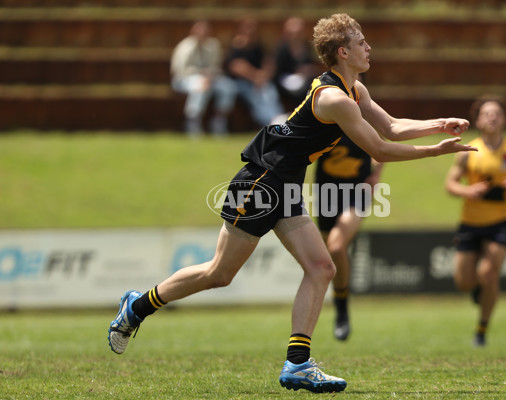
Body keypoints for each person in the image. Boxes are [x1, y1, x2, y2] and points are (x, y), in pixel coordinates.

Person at [108, 13, 476, 394]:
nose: (369, 47)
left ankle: (297, 364)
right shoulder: (334, 98)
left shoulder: (355, 89)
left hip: (286, 185)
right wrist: (436, 151)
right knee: (220, 273)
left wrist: (439, 123)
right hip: (261, 182)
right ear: (343, 51)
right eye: (361, 41)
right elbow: (380, 148)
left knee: (321, 267)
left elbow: (391, 126)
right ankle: (137, 306)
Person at [444, 94, 506, 347]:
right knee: (464, 282)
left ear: (505, 120)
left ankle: (481, 330)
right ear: (478, 121)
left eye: (497, 114)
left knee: (489, 273)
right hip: (470, 223)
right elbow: (450, 184)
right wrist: (467, 191)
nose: (492, 117)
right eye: (486, 114)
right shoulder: (467, 151)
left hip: (499, 223)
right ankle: (478, 292)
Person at [314, 134, 383, 341]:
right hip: (325, 192)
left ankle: (341, 309)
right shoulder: (321, 119)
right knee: (329, 255)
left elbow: (380, 146)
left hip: (356, 193)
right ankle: (341, 301)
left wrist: (376, 175)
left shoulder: (360, 119)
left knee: (336, 247)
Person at [170, 20, 237, 137]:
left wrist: (209, 75)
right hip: (184, 80)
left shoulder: (213, 45)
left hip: (210, 78)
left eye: (206, 31)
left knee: (229, 87)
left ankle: (219, 121)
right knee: (201, 86)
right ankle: (193, 122)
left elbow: (216, 66)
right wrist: (201, 74)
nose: (203, 33)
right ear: (193, 31)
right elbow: (180, 70)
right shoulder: (185, 47)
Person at [224, 18, 284, 127]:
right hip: (240, 83)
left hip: (258, 81)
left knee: (270, 91)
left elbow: (267, 63)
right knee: (256, 97)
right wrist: (255, 77)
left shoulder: (257, 47)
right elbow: (236, 66)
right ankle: (269, 122)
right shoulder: (236, 47)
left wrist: (263, 76)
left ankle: (278, 117)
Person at [274, 17, 320, 110]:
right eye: (292, 34)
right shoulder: (281, 50)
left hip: (305, 80)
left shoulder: (307, 48)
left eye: (298, 33)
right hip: (285, 83)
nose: (295, 37)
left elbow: (315, 65)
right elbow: (277, 72)